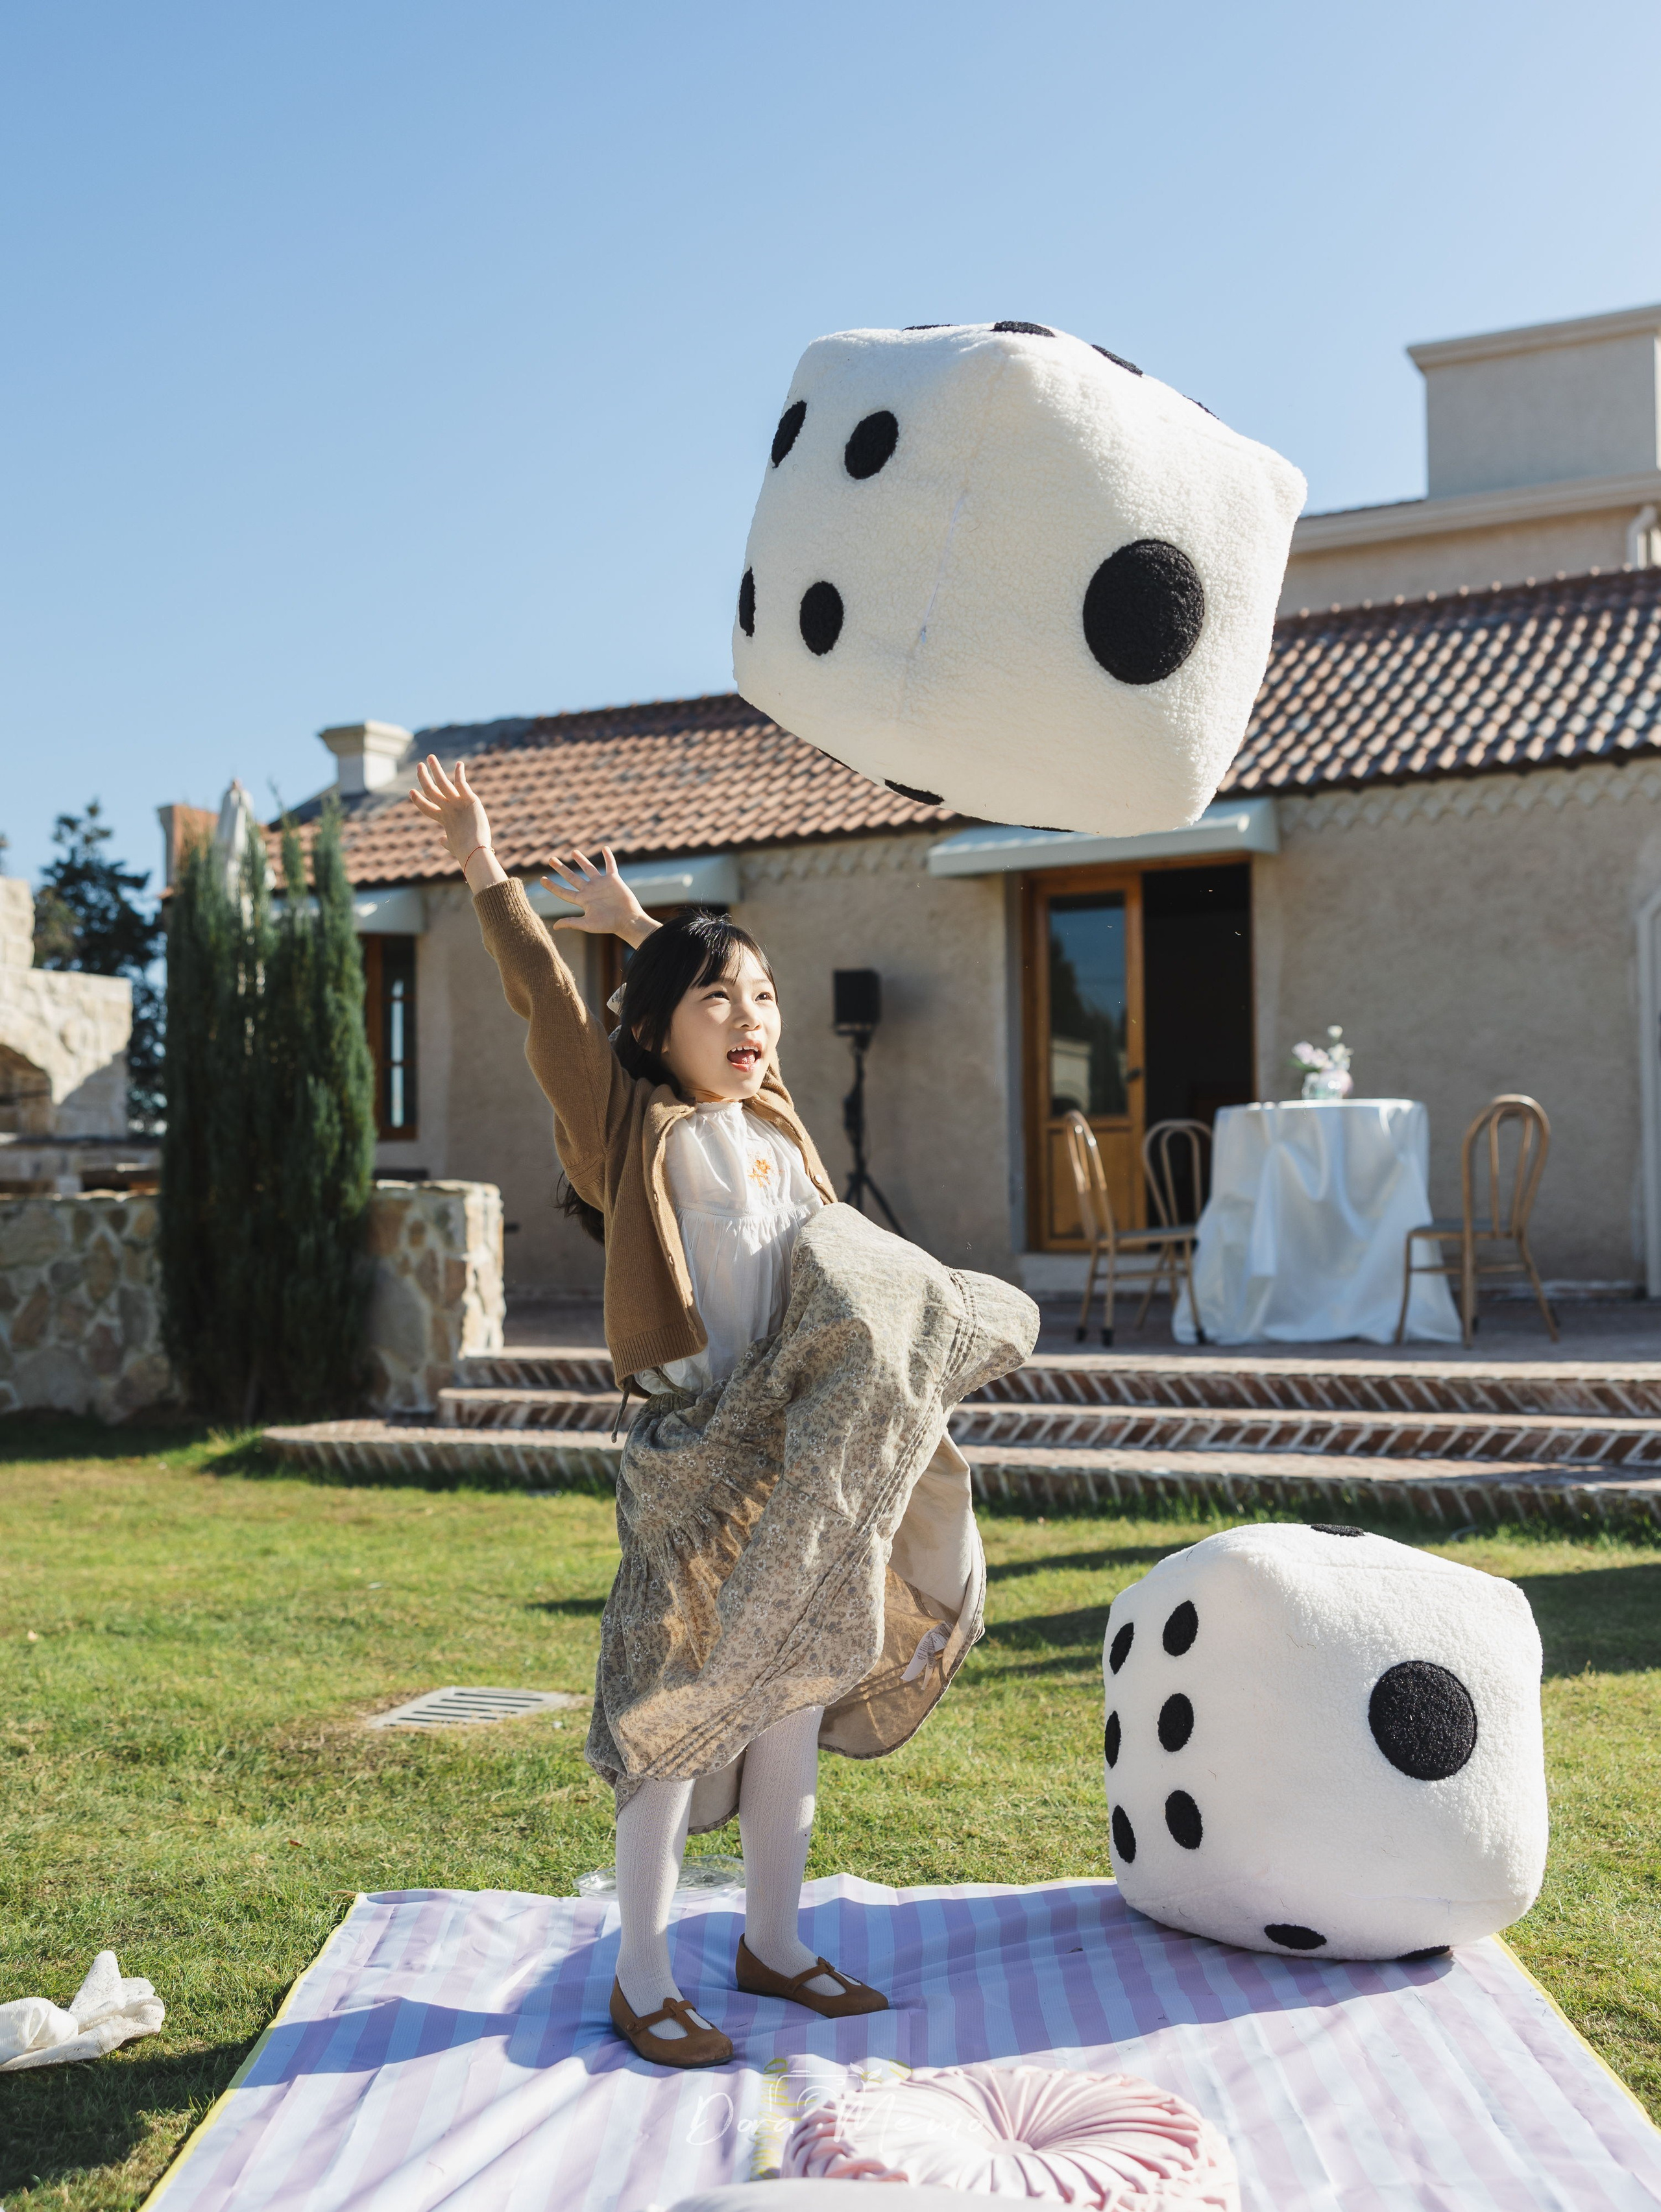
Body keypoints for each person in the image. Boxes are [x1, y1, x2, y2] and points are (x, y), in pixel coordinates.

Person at [409, 755, 1036, 2070]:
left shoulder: (777, 1130)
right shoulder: (631, 1126)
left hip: (799, 1454)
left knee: (792, 1693)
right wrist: (484, 865)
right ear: (655, 1028)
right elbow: (544, 1006)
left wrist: (657, 933)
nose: (750, 1018)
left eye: (761, 996)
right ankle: (642, 1972)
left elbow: (785, 1151)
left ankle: (773, 1938)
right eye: (717, 1000)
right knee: (671, 1702)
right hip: (694, 1457)